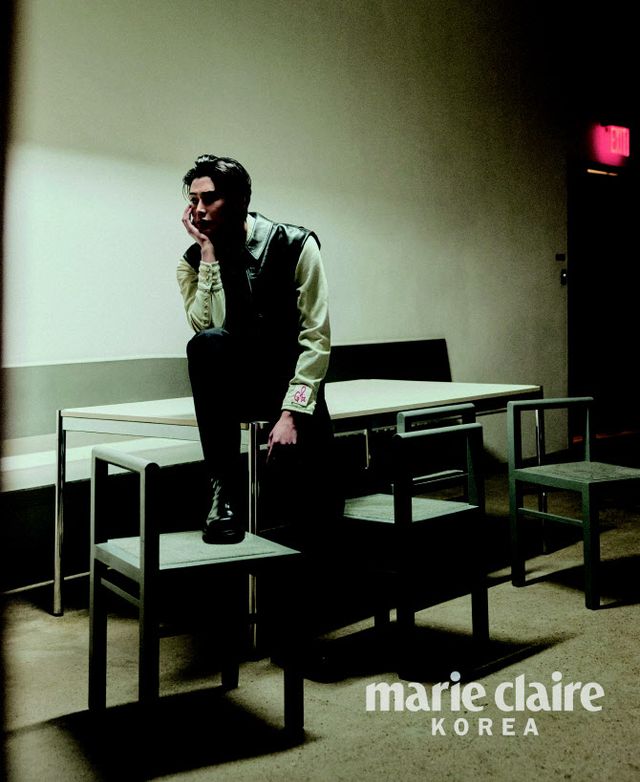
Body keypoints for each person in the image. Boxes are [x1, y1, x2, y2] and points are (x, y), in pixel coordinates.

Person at [177, 154, 336, 544]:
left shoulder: (296, 245)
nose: (198, 210)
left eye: (208, 198)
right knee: (207, 344)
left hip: (291, 389)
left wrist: (292, 412)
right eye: (193, 200)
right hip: (235, 391)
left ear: (237, 200)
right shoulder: (192, 262)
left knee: (319, 520)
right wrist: (208, 256)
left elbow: (316, 337)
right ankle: (223, 492)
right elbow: (208, 331)